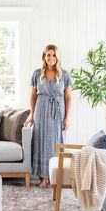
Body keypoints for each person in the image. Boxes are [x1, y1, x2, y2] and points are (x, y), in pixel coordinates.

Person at [24, 44, 72, 188]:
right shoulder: (37, 73)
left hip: (57, 111)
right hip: (41, 110)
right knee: (40, 141)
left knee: (55, 142)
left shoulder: (64, 74)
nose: (51, 58)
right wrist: (31, 114)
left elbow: (68, 97)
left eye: (54, 55)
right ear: (44, 57)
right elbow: (33, 96)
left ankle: (54, 177)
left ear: (57, 57)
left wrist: (67, 118)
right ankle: (42, 178)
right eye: (48, 55)